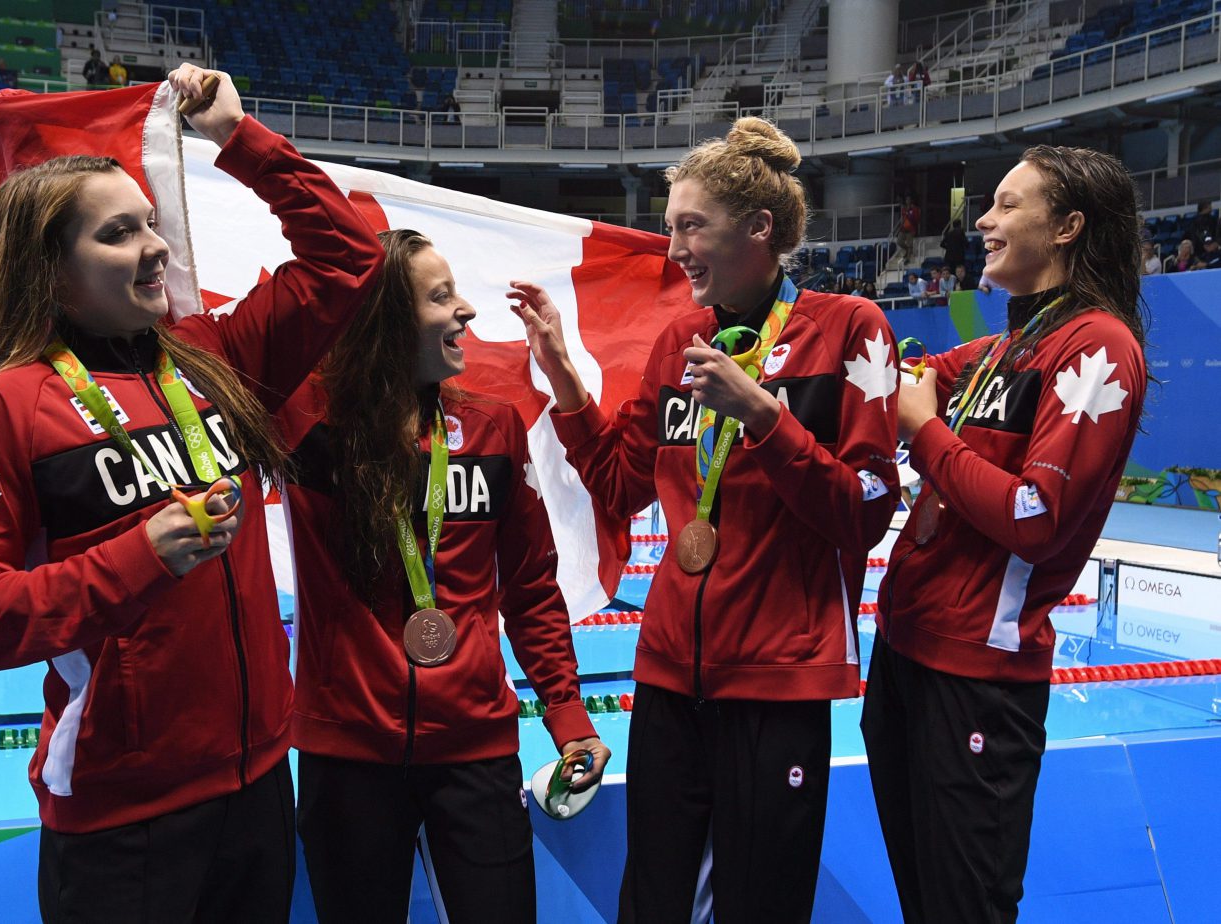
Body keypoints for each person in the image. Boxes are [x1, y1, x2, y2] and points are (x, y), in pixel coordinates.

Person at [0, 64, 384, 923]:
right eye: (118, 234)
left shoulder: (213, 359)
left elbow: (350, 257)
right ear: (51, 273)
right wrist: (138, 558)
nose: (156, 245)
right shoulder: (7, 407)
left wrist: (240, 140)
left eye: (150, 222)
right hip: (120, 816)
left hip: (254, 787)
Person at [511, 116, 900, 923]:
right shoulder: (680, 339)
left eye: (691, 225)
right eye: (669, 227)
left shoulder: (849, 329)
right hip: (666, 672)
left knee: (762, 900)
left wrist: (766, 417)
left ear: (757, 228)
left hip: (776, 674)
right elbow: (619, 486)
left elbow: (865, 509)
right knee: (653, 895)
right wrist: (563, 377)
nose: (674, 247)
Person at [280, 229, 608, 923]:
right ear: (387, 322)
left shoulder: (493, 427)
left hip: (475, 747)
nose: (466, 311)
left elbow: (530, 587)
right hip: (348, 755)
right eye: (441, 297)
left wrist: (568, 717)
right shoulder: (307, 425)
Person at [861, 145, 1148, 924]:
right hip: (905, 653)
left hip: (978, 679)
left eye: (1007, 204)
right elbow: (897, 373)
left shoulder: (1096, 347)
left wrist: (924, 435)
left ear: (1067, 227)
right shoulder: (1001, 351)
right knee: (926, 903)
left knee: (964, 908)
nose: (983, 221)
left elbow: (1036, 519)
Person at [897, 194, 921, 265]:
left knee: (910, 244)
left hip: (911, 229)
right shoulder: (904, 208)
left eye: (909, 199)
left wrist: (910, 214)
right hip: (903, 229)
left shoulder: (915, 209)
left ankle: (908, 258)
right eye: (906, 200)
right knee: (899, 241)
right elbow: (902, 218)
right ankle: (907, 250)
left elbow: (917, 219)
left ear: (911, 200)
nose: (907, 201)